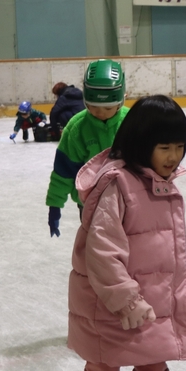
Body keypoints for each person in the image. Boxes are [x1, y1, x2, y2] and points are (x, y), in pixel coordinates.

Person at [41, 95, 186, 371]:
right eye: (165, 148)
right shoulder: (118, 185)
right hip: (111, 303)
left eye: (180, 147)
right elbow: (102, 252)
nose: (173, 157)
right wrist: (127, 298)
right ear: (143, 144)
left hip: (150, 304)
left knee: (154, 370)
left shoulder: (162, 185)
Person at [45, 59, 128, 237]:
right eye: (93, 106)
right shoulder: (77, 128)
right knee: (97, 251)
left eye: (107, 107)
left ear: (121, 100)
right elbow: (63, 171)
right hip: (90, 204)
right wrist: (55, 205)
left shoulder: (132, 122)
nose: (100, 113)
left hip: (127, 201)